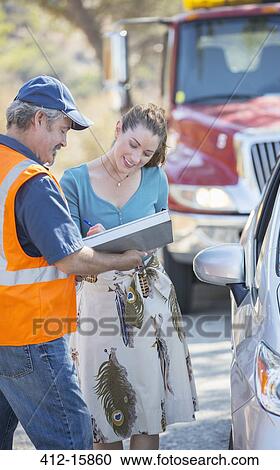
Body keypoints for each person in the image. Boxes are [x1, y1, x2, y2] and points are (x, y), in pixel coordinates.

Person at [0, 76, 146, 450]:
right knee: (71, 441)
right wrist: (121, 257)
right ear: (38, 121)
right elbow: (69, 258)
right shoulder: (32, 180)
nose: (65, 141)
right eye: (62, 129)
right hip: (29, 335)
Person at [60, 103, 198, 451]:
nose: (137, 157)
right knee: (104, 412)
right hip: (98, 301)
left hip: (149, 299)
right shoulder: (74, 180)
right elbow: (67, 249)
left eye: (148, 152)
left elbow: (159, 231)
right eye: (133, 145)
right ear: (118, 128)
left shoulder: (156, 179)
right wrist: (93, 241)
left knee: (148, 405)